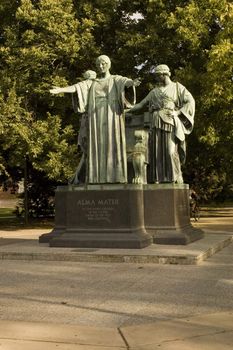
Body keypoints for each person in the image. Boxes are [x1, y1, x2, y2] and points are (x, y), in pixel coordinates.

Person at [50, 55, 140, 184]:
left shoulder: (115, 79)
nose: (101, 66)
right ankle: (96, 178)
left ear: (109, 64)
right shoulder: (92, 82)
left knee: (111, 142)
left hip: (111, 115)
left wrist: (133, 83)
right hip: (95, 116)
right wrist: (60, 90)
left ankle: (115, 176)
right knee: (97, 144)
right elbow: (77, 87)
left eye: (104, 64)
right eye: (99, 65)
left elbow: (126, 82)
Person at [127, 64, 195, 184]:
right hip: (156, 122)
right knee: (157, 152)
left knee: (170, 151)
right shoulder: (154, 92)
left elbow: (190, 101)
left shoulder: (177, 87)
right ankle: (158, 179)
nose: (157, 79)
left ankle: (176, 177)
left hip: (170, 123)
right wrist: (126, 110)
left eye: (158, 76)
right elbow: (140, 105)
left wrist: (178, 112)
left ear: (164, 74)